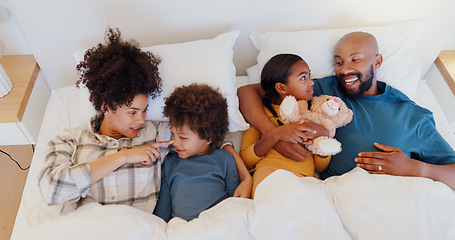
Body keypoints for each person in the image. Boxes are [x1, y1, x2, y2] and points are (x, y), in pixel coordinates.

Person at [237, 31, 455, 189]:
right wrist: (274, 134)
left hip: (396, 194)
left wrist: (416, 168)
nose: (345, 70)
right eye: (339, 62)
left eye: (355, 59)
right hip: (336, 196)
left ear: (377, 62)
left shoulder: (412, 116)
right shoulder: (324, 89)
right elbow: (247, 92)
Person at [38, 28, 173, 213]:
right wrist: (123, 157)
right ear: (106, 107)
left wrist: (227, 148)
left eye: (144, 110)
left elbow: (202, 134)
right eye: (132, 113)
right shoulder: (70, 140)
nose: (141, 120)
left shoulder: (156, 134)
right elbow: (51, 191)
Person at [239, 54, 331, 197]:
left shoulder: (311, 116)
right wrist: (275, 135)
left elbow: (320, 166)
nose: (311, 82)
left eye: (309, 76)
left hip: (306, 179)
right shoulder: (261, 114)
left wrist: (324, 134)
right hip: (269, 174)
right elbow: (246, 159)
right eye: (303, 78)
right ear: (281, 88)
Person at [153, 84, 240, 222]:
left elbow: (235, 202)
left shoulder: (224, 159)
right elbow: (163, 210)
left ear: (208, 137)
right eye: (173, 134)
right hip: (182, 228)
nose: (175, 142)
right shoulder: (170, 162)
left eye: (183, 137)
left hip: (218, 224)